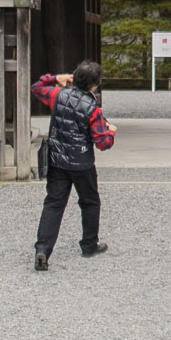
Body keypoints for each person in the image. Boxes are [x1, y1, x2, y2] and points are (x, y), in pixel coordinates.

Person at [34, 60, 114, 270]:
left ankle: (42, 250)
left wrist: (54, 78)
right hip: (82, 162)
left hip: (57, 160)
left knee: (53, 204)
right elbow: (103, 143)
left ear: (74, 77)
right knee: (90, 202)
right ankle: (89, 244)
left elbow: (37, 87)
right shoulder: (93, 109)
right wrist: (111, 132)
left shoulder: (58, 95)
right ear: (94, 86)